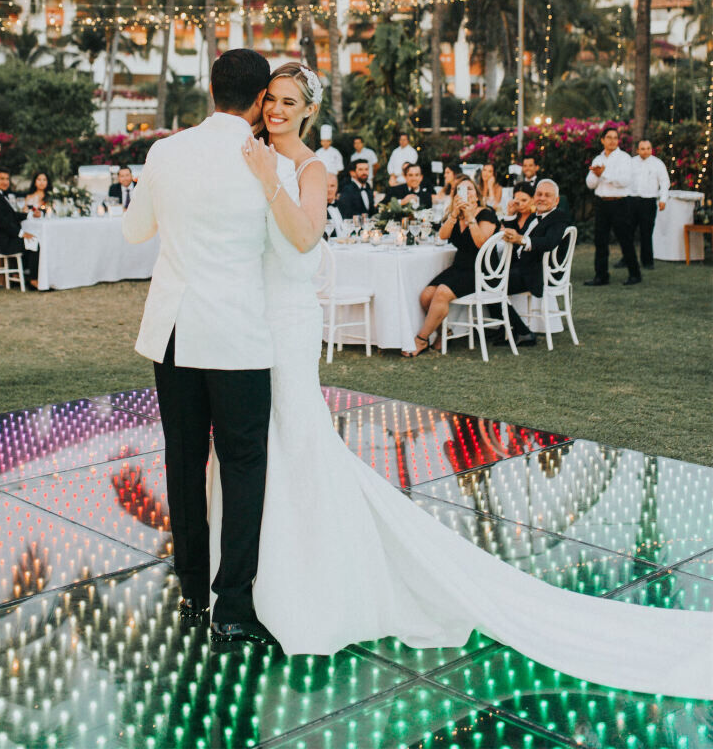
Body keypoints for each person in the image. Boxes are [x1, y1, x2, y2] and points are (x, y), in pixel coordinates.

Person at [238, 66, 711, 698]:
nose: (276, 109)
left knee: (297, 437)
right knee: (265, 442)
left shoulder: (311, 169)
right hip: (255, 318)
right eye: (271, 99)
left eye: (289, 102)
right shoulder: (254, 154)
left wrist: (269, 181)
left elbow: (300, 240)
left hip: (290, 319)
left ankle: (313, 579)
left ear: (307, 112)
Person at [122, 48, 313, 647]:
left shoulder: (164, 151)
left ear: (210, 90)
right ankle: (232, 605)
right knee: (242, 467)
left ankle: (190, 590)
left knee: (183, 462)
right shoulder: (270, 169)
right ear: (261, 101)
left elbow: (134, 231)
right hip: (237, 335)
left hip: (175, 332)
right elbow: (290, 254)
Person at [406, 175, 499, 356]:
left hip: (481, 270)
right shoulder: (455, 215)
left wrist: (471, 217)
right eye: (460, 190)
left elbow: (481, 244)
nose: (465, 193)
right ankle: (444, 333)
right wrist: (455, 214)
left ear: (477, 195)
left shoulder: (486, 214)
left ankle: (421, 339)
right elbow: (442, 235)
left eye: (469, 189)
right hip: (460, 267)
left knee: (441, 292)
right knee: (426, 296)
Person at [497, 179, 570, 347]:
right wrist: (509, 215)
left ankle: (521, 331)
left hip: (537, 274)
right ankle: (510, 330)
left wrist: (522, 239)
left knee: (490, 284)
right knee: (487, 279)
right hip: (524, 268)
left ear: (556, 200)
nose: (542, 198)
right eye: (539, 194)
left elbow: (549, 241)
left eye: (547, 195)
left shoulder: (558, 217)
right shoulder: (534, 217)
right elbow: (518, 236)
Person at [584, 127, 641, 287]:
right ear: (602, 140)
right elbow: (590, 184)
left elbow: (624, 181)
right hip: (602, 203)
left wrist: (603, 174)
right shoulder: (598, 158)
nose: (612, 141)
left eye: (615, 138)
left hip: (619, 203)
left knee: (625, 239)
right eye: (609, 137)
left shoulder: (624, 158)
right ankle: (601, 276)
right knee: (600, 241)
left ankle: (635, 274)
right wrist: (596, 175)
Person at [0, 166, 39, 285]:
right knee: (35, 242)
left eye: (7, 179)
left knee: (30, 240)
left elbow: (9, 215)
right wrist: (21, 233)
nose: (6, 182)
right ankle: (33, 280)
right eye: (2, 179)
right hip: (0, 243)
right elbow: (0, 221)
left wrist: (29, 215)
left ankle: (17, 275)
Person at [629, 140, 670, 269]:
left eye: (648, 148)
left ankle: (647, 262)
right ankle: (627, 259)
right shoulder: (631, 162)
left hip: (648, 202)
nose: (645, 151)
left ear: (651, 149)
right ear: (638, 150)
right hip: (632, 200)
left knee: (646, 233)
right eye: (642, 149)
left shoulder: (658, 164)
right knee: (627, 232)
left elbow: (664, 182)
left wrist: (663, 199)